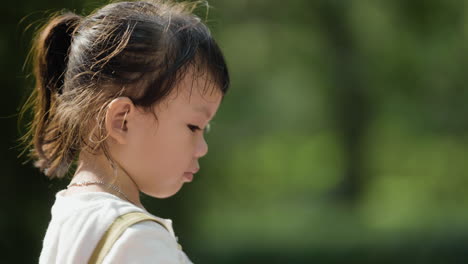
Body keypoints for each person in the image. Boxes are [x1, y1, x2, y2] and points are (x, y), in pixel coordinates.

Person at [19, 0, 229, 263]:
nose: (202, 148)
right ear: (122, 121)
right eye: (194, 127)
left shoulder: (71, 218)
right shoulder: (137, 240)